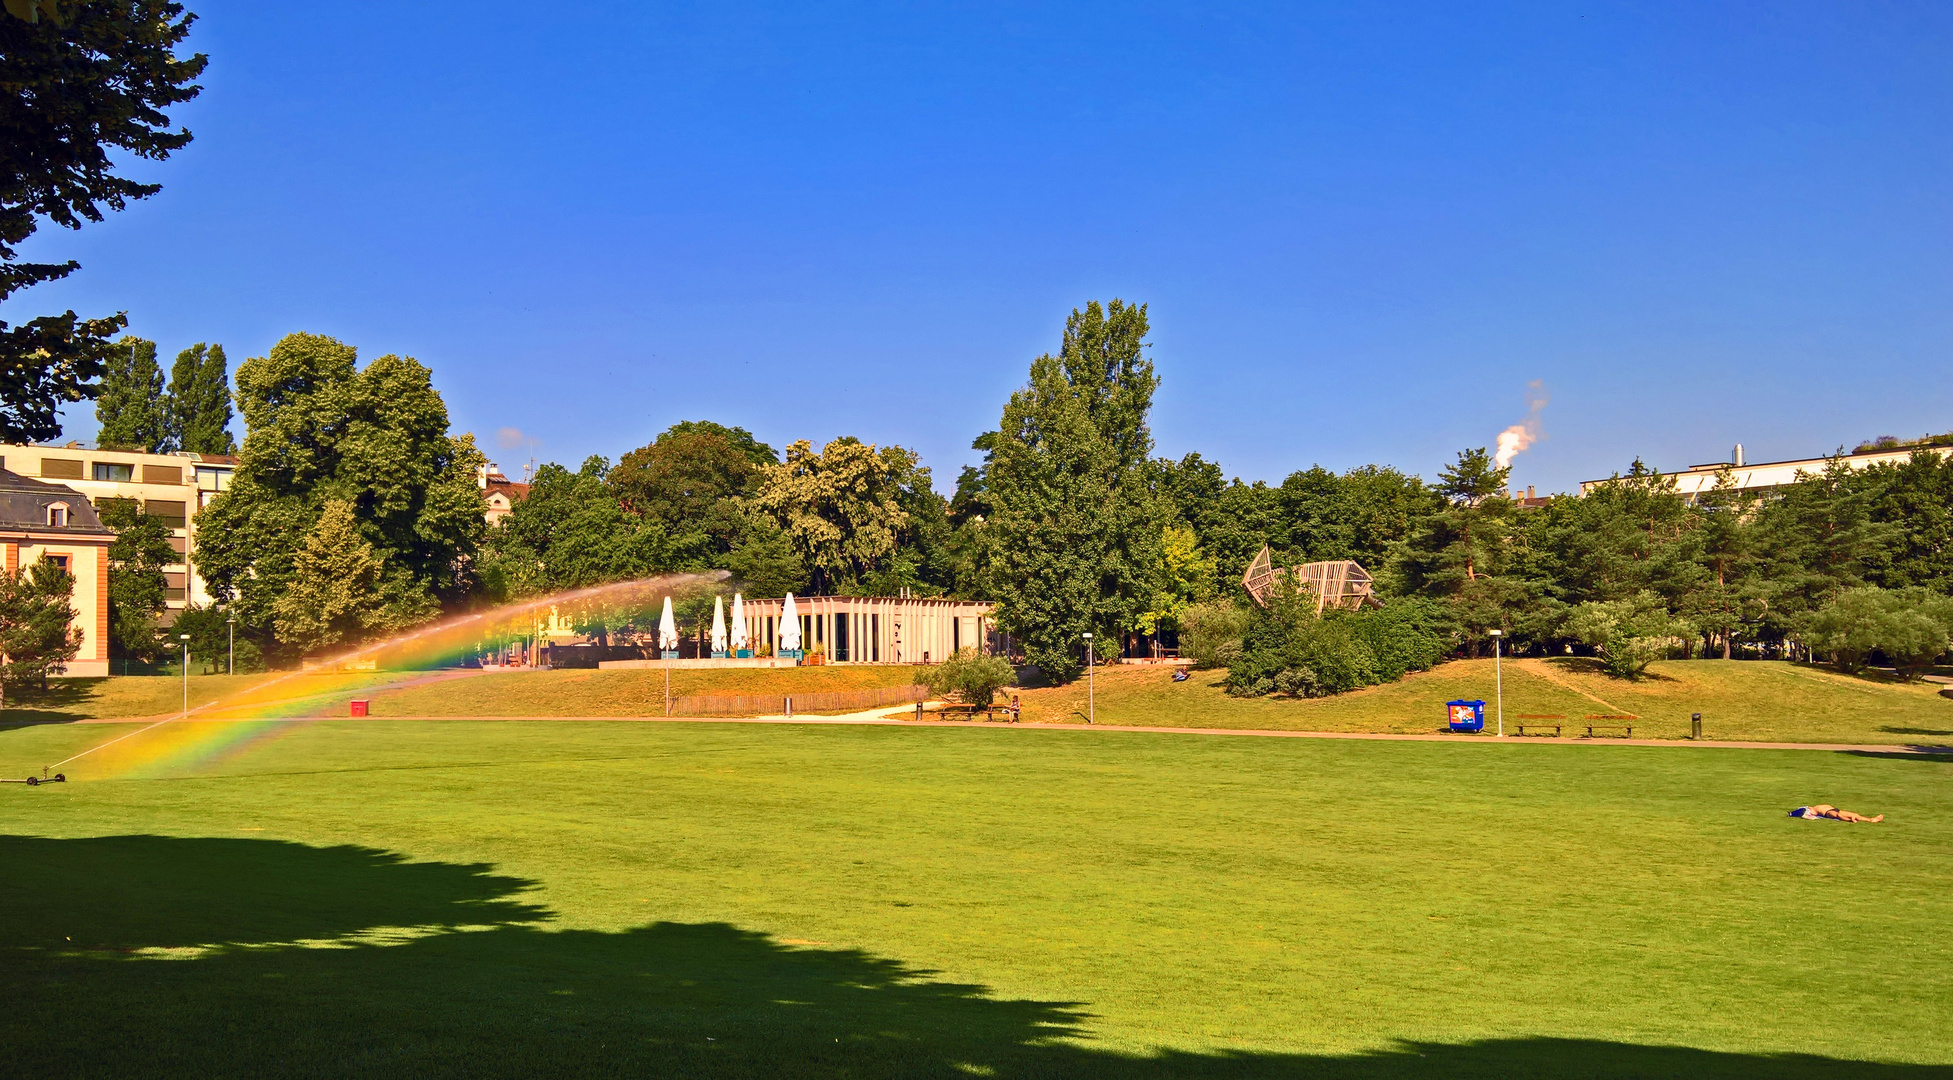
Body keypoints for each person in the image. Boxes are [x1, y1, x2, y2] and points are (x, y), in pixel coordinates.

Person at [1789, 804, 1884, 823]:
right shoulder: (1811, 811)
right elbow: (1799, 813)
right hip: (1828, 812)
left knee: (1854, 814)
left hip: (1834, 809)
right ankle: (1850, 820)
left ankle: (1871, 819)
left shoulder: (1812, 808)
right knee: (1840, 816)